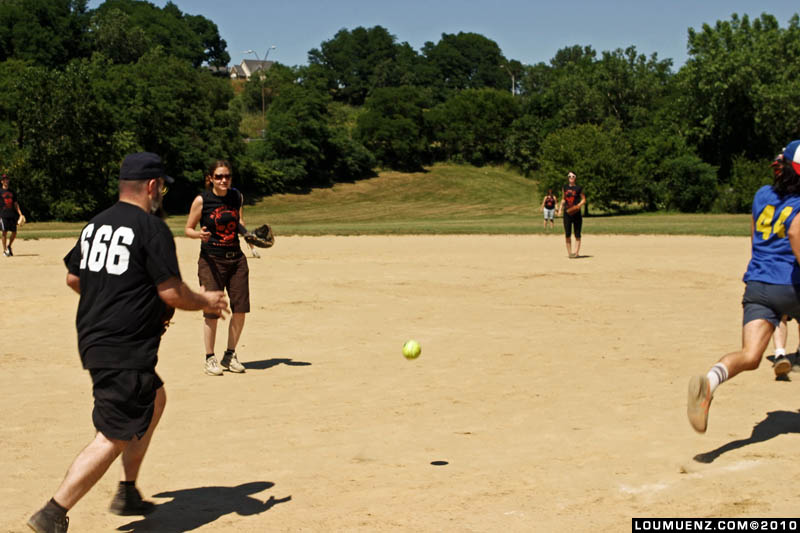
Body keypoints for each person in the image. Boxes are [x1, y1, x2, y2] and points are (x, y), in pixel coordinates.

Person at [27, 152, 229, 533]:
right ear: (152, 186)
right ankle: (53, 511)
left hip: (95, 338)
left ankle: (128, 489)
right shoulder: (151, 228)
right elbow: (171, 293)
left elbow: (74, 279)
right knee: (115, 432)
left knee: (154, 398)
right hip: (123, 346)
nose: (162, 194)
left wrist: (112, 301)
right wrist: (207, 300)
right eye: (162, 187)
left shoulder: (96, 224)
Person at [687, 140, 800, 434]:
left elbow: (754, 236)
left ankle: (710, 382)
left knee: (750, 356)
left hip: (758, 283)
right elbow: (795, 231)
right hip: (791, 285)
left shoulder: (762, 194)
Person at [185, 160, 251, 376]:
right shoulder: (202, 200)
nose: (224, 180)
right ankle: (209, 358)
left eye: (227, 176)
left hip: (236, 260)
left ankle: (230, 354)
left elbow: (239, 223)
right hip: (211, 261)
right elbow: (188, 229)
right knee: (212, 311)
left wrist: (250, 237)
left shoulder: (236, 196)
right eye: (219, 176)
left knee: (240, 309)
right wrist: (199, 235)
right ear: (210, 178)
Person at [556, 171, 586, 258]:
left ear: (575, 178)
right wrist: (560, 210)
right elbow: (563, 199)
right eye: (569, 176)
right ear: (568, 178)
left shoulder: (579, 188)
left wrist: (578, 206)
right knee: (567, 234)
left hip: (576, 213)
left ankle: (576, 253)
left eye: (573, 176)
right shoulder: (564, 188)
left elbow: (584, 199)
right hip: (567, 213)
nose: (571, 178)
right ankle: (570, 253)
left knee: (577, 234)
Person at [1, 173, 24, 257]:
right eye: (4, 179)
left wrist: (20, 214)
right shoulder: (0, 191)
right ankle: (4, 250)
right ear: (2, 181)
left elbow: (16, 204)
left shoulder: (12, 192)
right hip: (3, 215)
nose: (6, 181)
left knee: (14, 233)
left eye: (7, 179)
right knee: (4, 232)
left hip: (12, 214)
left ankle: (9, 246)